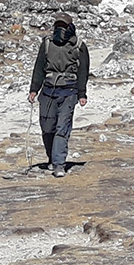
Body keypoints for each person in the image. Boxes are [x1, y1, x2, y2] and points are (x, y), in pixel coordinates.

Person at [26, 13, 89, 176]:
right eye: (58, 26)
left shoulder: (79, 46)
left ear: (70, 27)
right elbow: (39, 68)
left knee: (62, 128)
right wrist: (34, 89)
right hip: (48, 92)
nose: (61, 29)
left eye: (64, 26)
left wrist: (82, 94)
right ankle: (52, 158)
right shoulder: (47, 44)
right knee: (47, 128)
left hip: (69, 92)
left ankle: (59, 164)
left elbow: (83, 71)